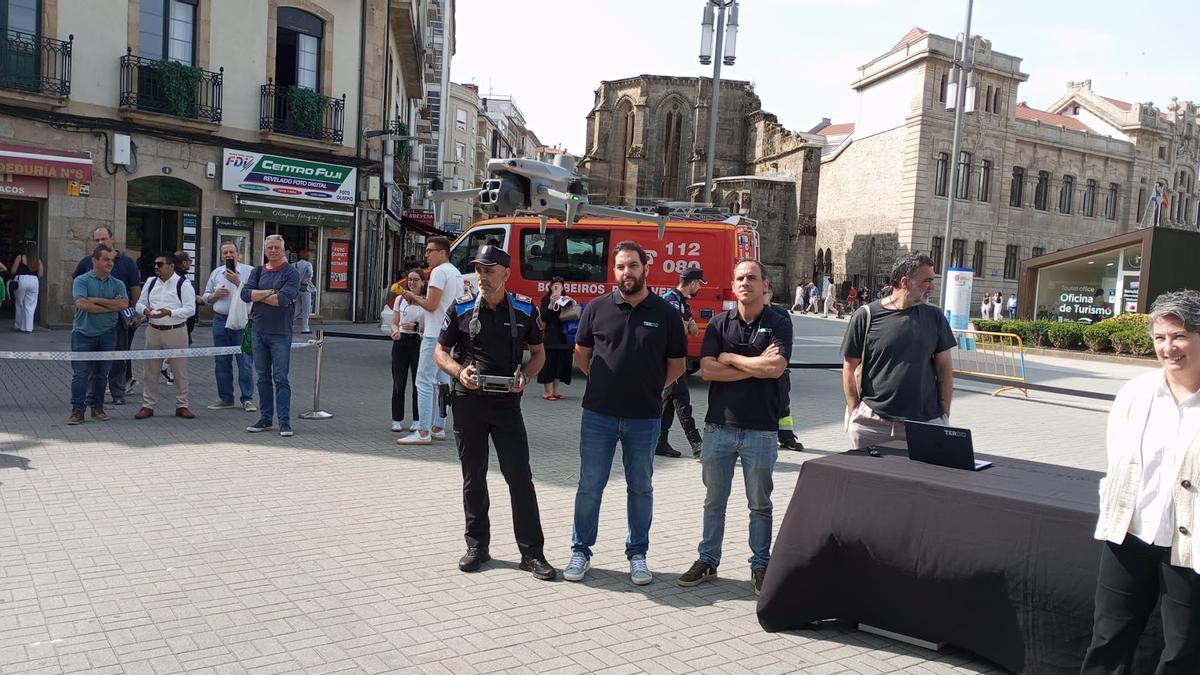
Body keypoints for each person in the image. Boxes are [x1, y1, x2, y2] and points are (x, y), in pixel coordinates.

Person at [1082, 290, 1200, 673]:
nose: (1168, 347)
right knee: (1108, 639)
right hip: (1131, 535)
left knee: (1183, 651)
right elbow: (1118, 456)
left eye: (1179, 336)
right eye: (1160, 337)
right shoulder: (1137, 392)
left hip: (1192, 547)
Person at [563, 240, 687, 586]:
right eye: (620, 266)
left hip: (644, 417)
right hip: (598, 415)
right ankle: (580, 550)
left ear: (645, 268)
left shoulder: (666, 314)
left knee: (641, 488)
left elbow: (677, 365)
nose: (626, 272)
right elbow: (582, 353)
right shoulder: (596, 309)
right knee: (590, 486)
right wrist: (604, 382)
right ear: (613, 271)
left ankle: (638, 554)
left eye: (633, 265)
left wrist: (649, 386)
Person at [434, 245, 557, 581]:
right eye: (479, 270)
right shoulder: (461, 308)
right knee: (473, 476)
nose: (482, 276)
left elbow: (539, 354)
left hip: (506, 405)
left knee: (519, 476)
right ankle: (477, 546)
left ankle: (532, 554)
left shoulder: (525, 309)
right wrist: (459, 371)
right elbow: (440, 352)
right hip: (468, 402)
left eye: (489, 270)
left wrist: (525, 376)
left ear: (506, 274)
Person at [677, 259, 791, 596]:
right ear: (733, 283)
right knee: (714, 500)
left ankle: (760, 564)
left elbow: (775, 368)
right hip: (719, 427)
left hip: (762, 429)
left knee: (760, 504)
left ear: (764, 284)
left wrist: (730, 358)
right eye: (740, 277)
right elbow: (708, 370)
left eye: (752, 277)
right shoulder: (719, 323)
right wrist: (754, 365)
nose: (745, 282)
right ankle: (708, 559)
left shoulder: (779, 322)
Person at [841, 252, 956, 450]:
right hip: (872, 424)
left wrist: (944, 414)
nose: (932, 286)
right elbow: (849, 369)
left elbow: (945, 369)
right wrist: (854, 412)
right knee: (865, 472)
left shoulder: (935, 317)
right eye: (927, 280)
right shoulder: (866, 316)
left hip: (925, 423)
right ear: (905, 282)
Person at [397, 236, 461, 445]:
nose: (426, 255)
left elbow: (432, 305)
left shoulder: (439, 272)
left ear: (442, 252)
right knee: (442, 381)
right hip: (448, 333)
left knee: (423, 380)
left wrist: (412, 296)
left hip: (434, 333)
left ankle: (423, 430)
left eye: (429, 251)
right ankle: (438, 426)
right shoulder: (456, 272)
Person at [73, 226, 142, 406]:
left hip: (118, 321)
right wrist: (111, 305)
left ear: (112, 239)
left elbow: (134, 290)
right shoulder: (86, 263)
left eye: (103, 239)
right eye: (97, 240)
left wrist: (137, 313)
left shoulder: (127, 263)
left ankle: (118, 394)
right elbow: (80, 297)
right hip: (88, 323)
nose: (100, 242)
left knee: (118, 358)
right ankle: (91, 396)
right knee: (90, 362)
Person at [241, 234, 300, 437]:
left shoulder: (291, 273)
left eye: (276, 247)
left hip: (281, 333)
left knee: (281, 378)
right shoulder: (257, 271)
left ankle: (284, 422)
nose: (273, 251)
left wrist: (259, 295)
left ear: (283, 250)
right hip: (258, 331)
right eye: (269, 248)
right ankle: (265, 419)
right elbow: (245, 294)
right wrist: (270, 292)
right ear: (265, 251)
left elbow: (282, 300)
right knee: (262, 378)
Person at [68, 245, 128, 425]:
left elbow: (123, 305)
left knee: (102, 375)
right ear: (95, 261)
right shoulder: (81, 281)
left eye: (112, 260)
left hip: (108, 334)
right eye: (106, 260)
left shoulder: (118, 284)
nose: (110, 263)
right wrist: (111, 306)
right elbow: (82, 304)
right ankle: (77, 410)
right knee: (81, 374)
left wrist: (95, 300)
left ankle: (97, 408)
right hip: (82, 334)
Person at [133, 252, 197, 420]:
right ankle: (148, 405)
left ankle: (182, 405)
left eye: (160, 264)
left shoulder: (183, 284)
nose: (156, 267)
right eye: (155, 264)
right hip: (153, 330)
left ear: (171, 266)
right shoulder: (150, 282)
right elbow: (139, 303)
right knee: (150, 371)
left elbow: (190, 309)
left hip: (176, 330)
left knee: (179, 371)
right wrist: (145, 310)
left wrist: (170, 312)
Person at [657, 268, 706, 459]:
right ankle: (697, 443)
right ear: (692, 283)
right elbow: (677, 328)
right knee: (681, 399)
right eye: (699, 284)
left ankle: (659, 441)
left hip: (679, 356)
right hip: (671, 359)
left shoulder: (683, 302)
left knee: (668, 401)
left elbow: (693, 330)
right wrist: (685, 325)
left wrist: (685, 325)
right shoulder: (671, 299)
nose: (700, 288)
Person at [203, 243, 257, 412]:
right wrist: (214, 296)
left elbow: (255, 295)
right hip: (220, 321)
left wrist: (238, 282)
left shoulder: (250, 271)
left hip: (243, 322)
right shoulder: (216, 273)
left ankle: (247, 398)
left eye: (231, 252)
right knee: (221, 361)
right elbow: (205, 297)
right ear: (221, 256)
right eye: (225, 252)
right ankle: (226, 398)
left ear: (238, 254)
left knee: (245, 361)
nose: (228, 255)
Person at [390, 269, 424, 432]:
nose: (412, 283)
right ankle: (396, 419)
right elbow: (394, 322)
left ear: (423, 282)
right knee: (398, 381)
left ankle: (417, 419)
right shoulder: (400, 299)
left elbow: (429, 325)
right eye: (410, 279)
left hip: (417, 340)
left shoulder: (425, 300)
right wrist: (395, 330)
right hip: (401, 341)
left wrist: (415, 327)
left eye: (416, 280)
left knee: (418, 383)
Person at [537, 277, 574, 401]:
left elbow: (573, 315)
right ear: (551, 287)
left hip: (563, 336)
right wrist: (552, 303)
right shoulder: (546, 299)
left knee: (560, 363)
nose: (557, 288)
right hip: (550, 336)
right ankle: (547, 392)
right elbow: (544, 317)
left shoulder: (565, 299)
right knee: (549, 363)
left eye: (560, 286)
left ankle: (555, 391)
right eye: (555, 286)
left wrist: (571, 302)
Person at [10, 240, 42, 332]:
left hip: (21, 279)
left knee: (19, 303)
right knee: (30, 305)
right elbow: (40, 274)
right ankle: (28, 327)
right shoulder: (38, 260)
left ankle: (19, 325)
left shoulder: (20, 257)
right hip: (34, 281)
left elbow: (13, 271)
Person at [294, 250, 314, 334]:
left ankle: (289, 323)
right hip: (305, 288)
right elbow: (310, 273)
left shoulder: (294, 265)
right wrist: (307, 280)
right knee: (306, 309)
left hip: (297, 288)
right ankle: (305, 328)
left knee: (297, 308)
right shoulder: (308, 264)